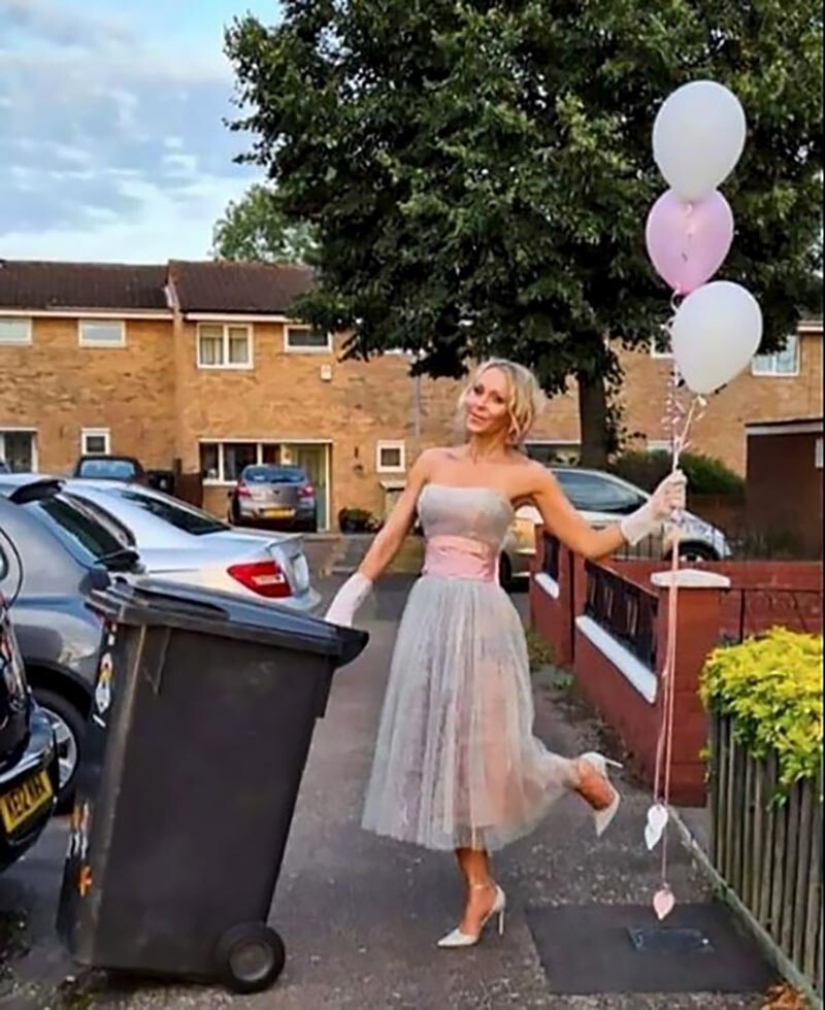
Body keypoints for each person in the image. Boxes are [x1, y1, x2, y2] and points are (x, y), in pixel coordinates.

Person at [324, 358, 686, 949]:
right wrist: (350, 597)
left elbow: (588, 543)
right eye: (476, 390)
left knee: (489, 754)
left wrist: (650, 514)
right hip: (429, 615)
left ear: (512, 415)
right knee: (444, 755)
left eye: (494, 398)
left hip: (484, 622)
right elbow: (391, 534)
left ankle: (576, 772)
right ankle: (480, 888)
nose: (478, 403)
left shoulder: (528, 476)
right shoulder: (431, 462)